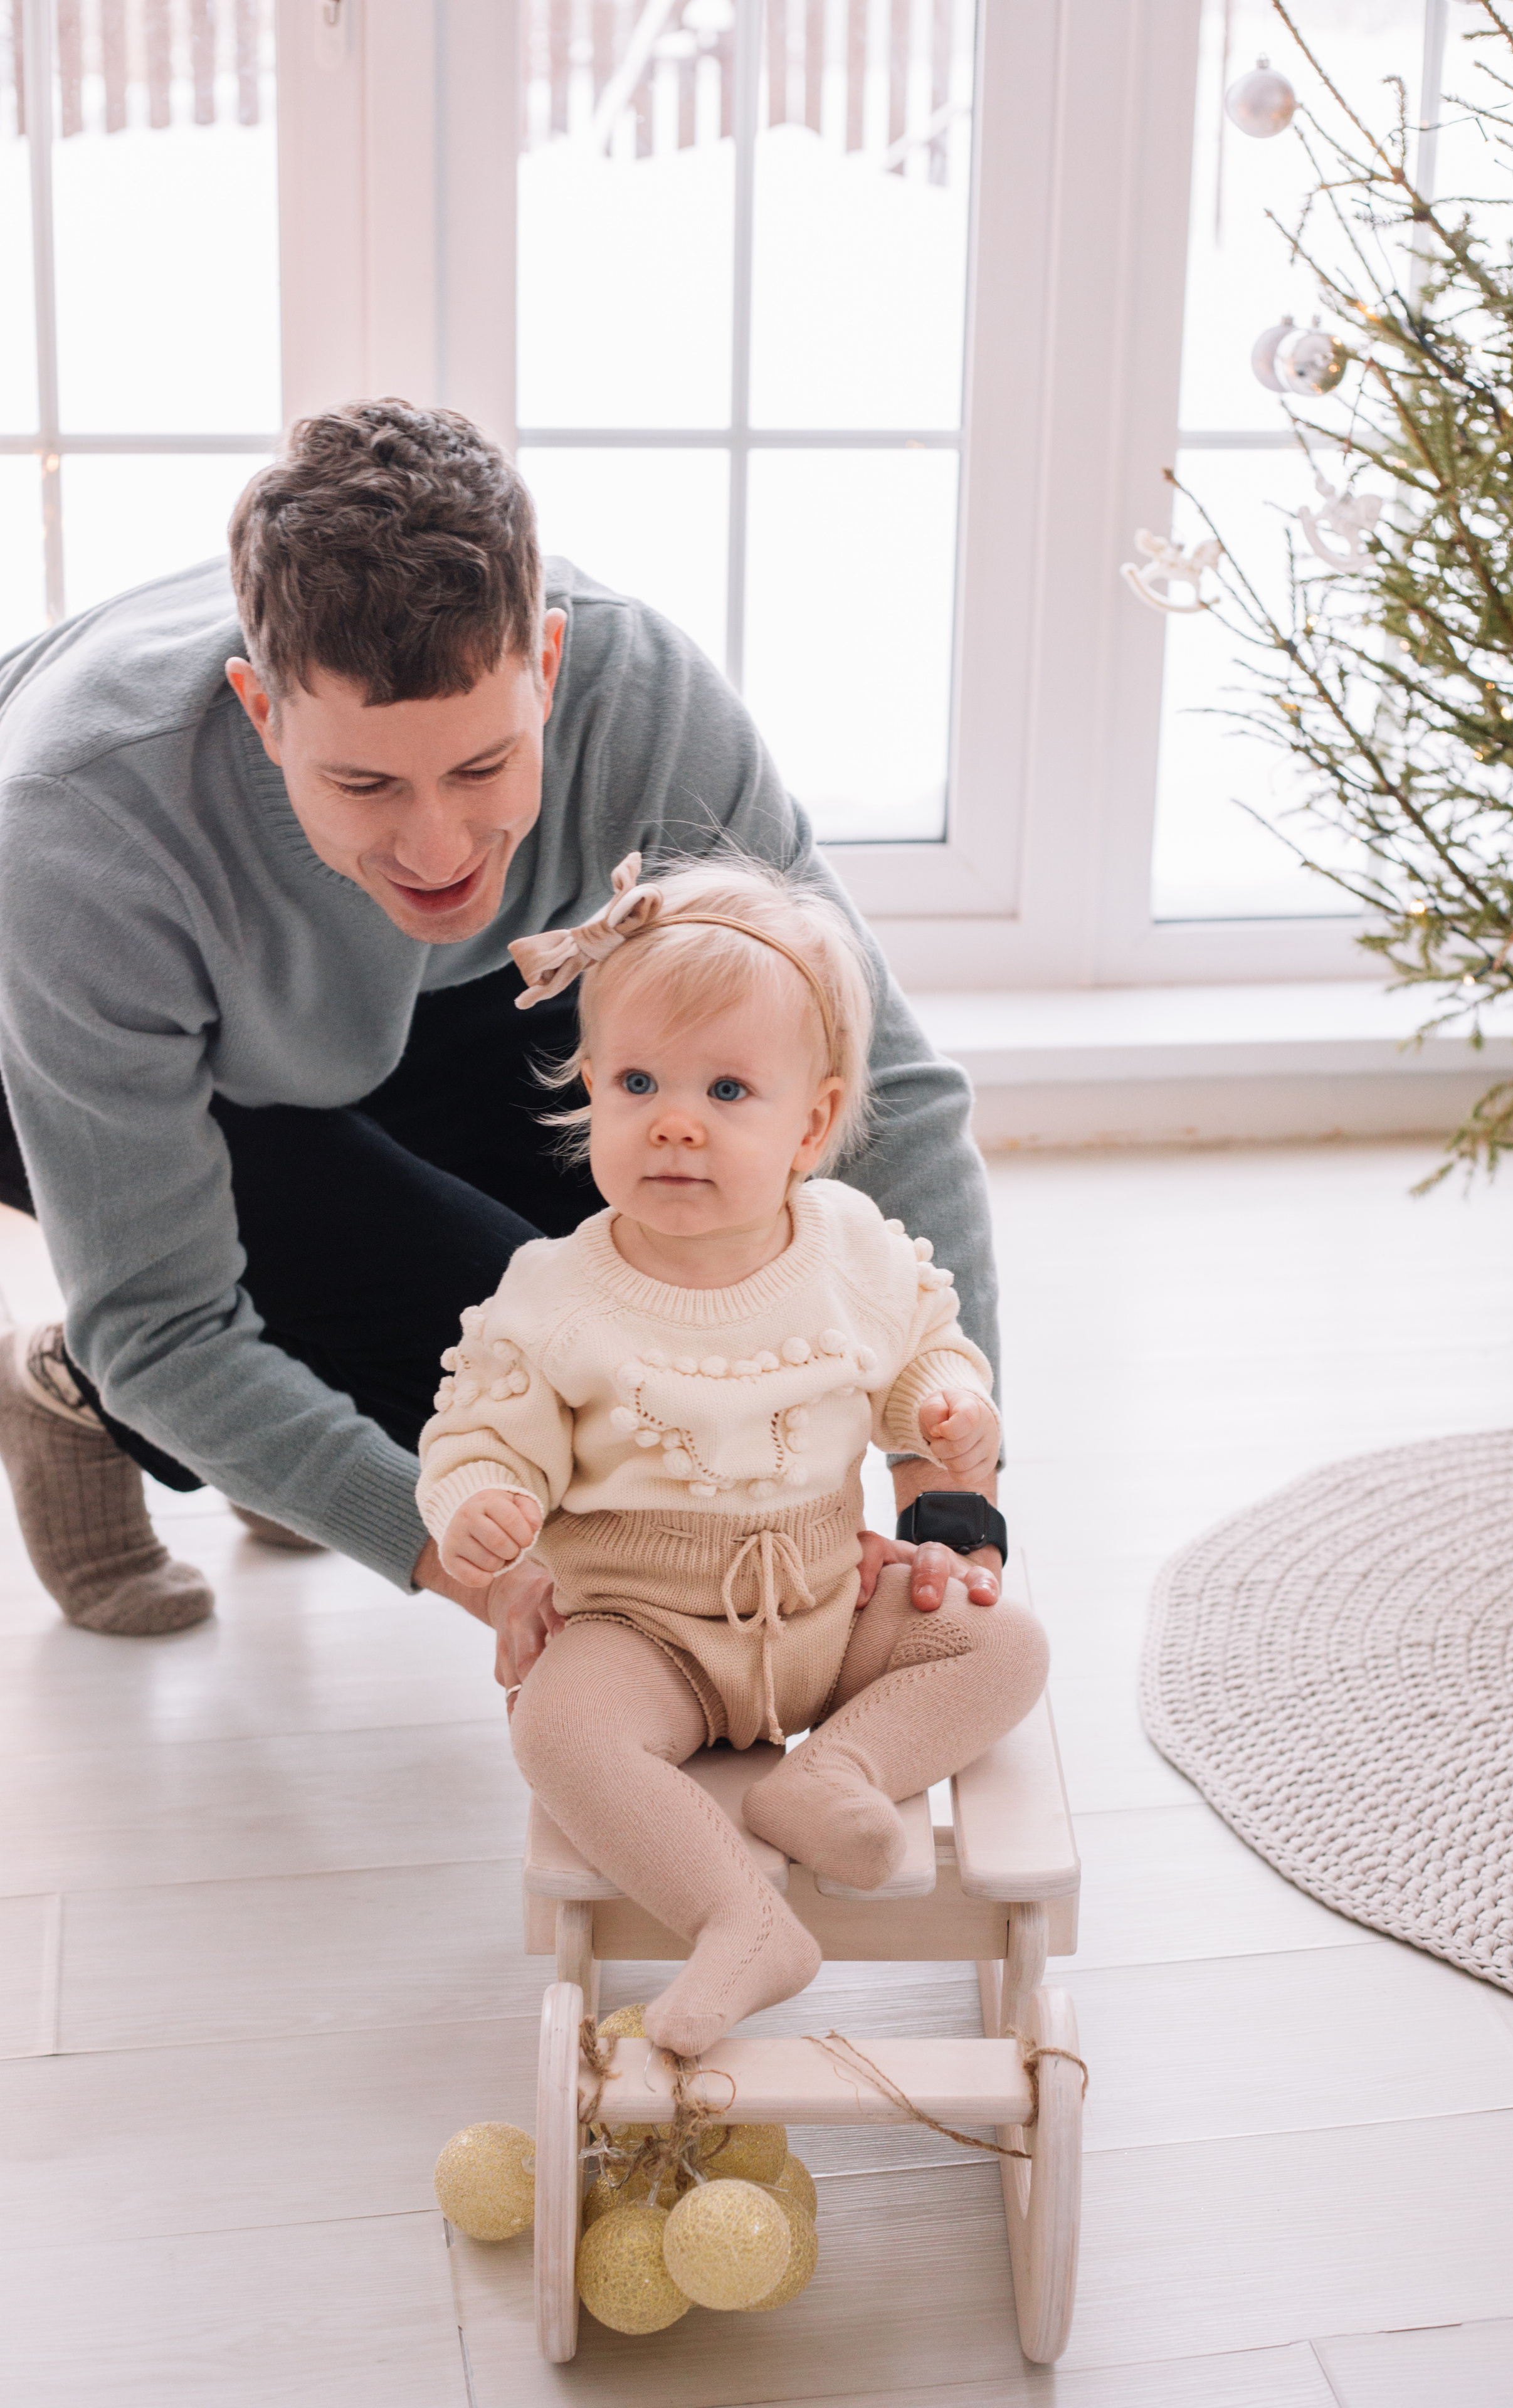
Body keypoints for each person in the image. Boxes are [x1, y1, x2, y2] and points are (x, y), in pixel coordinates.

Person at [0, 399, 1003, 1695]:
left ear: (549, 665)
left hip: (429, 993)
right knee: (555, 1408)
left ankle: (297, 1381)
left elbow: (885, 1097)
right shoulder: (78, 840)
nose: (435, 848)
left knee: (664, 1292)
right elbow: (170, 1326)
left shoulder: (643, 699)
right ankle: (70, 1387)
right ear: (260, 709)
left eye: (483, 767)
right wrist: (481, 1561)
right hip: (49, 1001)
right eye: (363, 784)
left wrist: (948, 1469)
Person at [417, 854, 1046, 2056]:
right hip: (645, 1634)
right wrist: (485, 1503)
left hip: (824, 1605)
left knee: (1001, 1646)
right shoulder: (556, 1296)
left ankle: (835, 1776)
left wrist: (953, 1408)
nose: (677, 1122)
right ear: (591, 1090)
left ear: (811, 1121)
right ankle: (741, 1918)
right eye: (640, 1082)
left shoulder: (852, 1247)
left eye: (728, 1090)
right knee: (557, 1727)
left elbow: (922, 1349)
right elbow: (482, 1430)